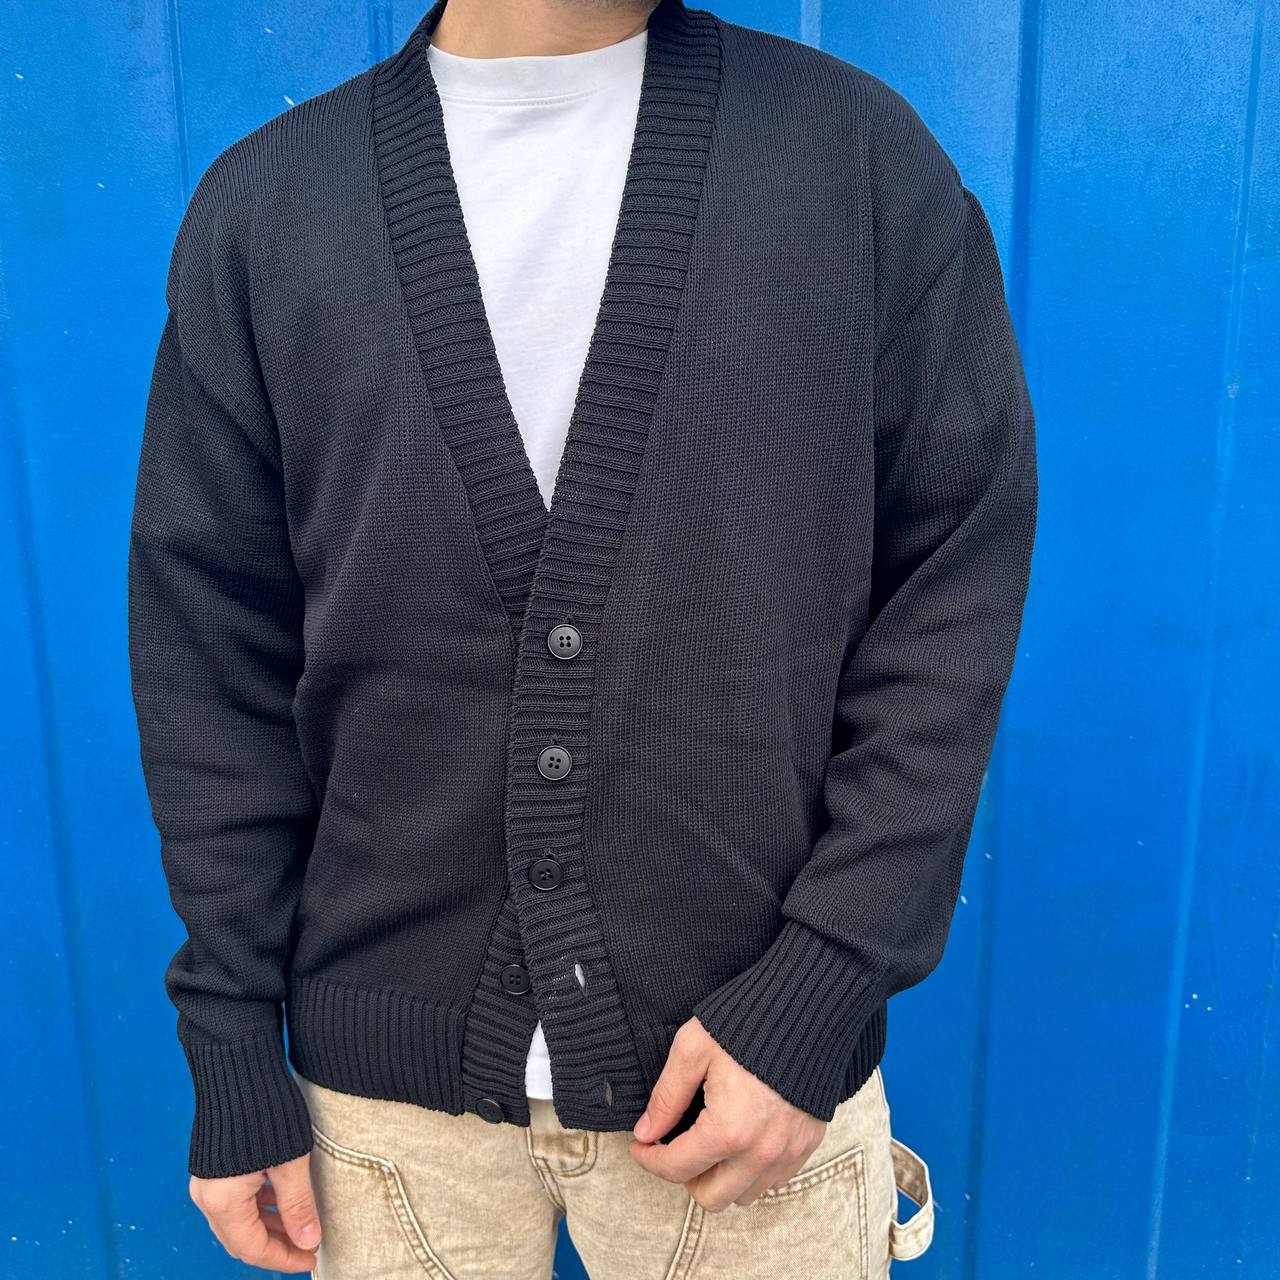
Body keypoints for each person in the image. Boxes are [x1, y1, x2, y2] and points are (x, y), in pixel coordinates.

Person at [127, 0, 1037, 1274]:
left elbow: (951, 590)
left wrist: (822, 979)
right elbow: (209, 658)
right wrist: (229, 1035)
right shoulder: (268, 209)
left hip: (751, 1085)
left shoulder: (854, 162)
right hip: (385, 1126)